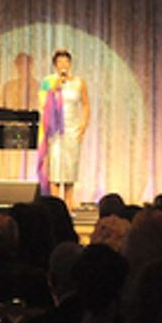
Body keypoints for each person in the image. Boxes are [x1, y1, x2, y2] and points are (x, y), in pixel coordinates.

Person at [37, 49, 90, 210]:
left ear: (70, 64)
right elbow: (41, 103)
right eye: (60, 62)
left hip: (72, 129)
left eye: (66, 62)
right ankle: (55, 206)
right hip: (54, 130)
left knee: (70, 168)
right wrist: (55, 86)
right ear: (55, 65)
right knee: (55, 168)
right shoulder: (48, 81)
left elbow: (86, 104)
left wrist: (83, 125)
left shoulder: (79, 82)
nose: (63, 65)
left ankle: (68, 204)